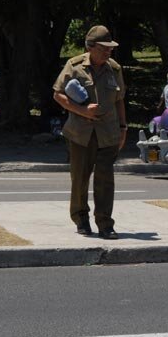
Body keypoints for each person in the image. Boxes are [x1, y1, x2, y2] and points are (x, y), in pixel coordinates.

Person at [52, 25, 127, 240]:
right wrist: (83, 110)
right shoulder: (74, 66)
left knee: (105, 180)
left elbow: (119, 100)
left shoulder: (114, 68)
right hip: (80, 135)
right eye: (104, 48)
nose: (108, 51)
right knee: (80, 179)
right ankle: (81, 219)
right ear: (91, 47)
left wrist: (123, 128)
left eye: (110, 48)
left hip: (108, 133)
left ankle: (105, 223)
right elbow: (58, 95)